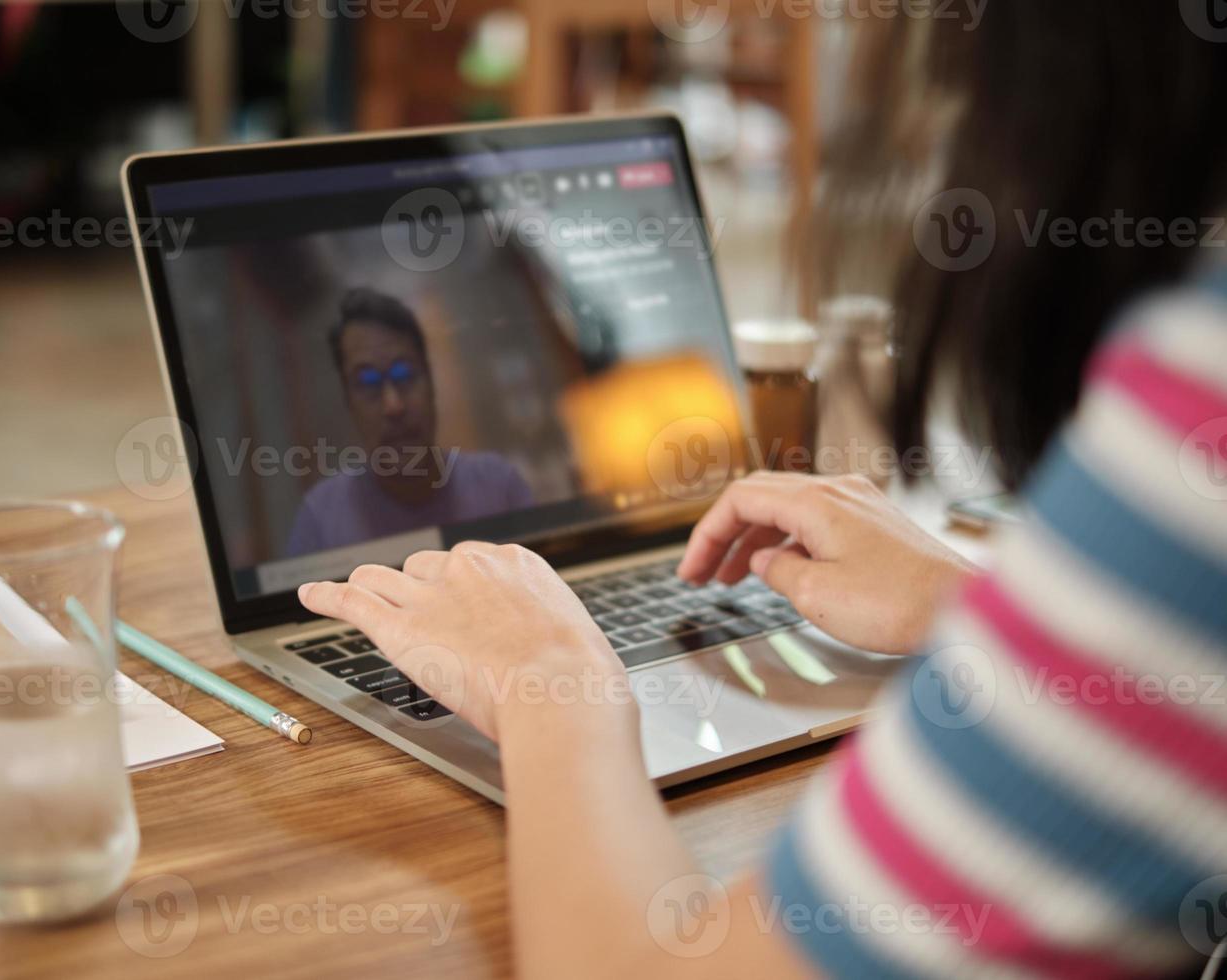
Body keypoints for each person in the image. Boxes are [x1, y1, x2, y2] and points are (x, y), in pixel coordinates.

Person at [300, 8, 1227, 977]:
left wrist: (548, 682)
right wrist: (1000, 612)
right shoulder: (324, 510)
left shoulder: (1198, 407)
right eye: (368, 383)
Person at [287, 288, 534, 555]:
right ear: (348, 402)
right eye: (367, 382)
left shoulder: (499, 487)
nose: (394, 406)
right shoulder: (319, 523)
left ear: (431, 383)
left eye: (404, 374)